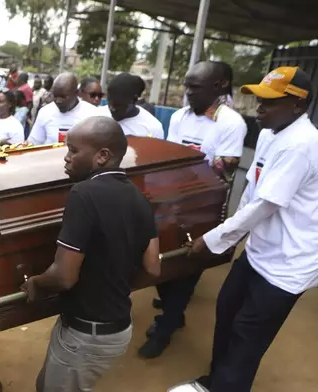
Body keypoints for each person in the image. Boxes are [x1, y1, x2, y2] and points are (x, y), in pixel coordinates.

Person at [183, 66, 318, 392]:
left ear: (298, 106)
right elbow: (251, 193)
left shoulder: (300, 144)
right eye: (259, 100)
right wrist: (232, 236)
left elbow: (264, 206)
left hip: (287, 265)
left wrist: (215, 238)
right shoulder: (272, 134)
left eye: (269, 102)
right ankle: (217, 381)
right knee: (227, 313)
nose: (259, 108)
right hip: (259, 252)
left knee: (247, 339)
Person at [22, 116, 160, 392]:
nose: (66, 158)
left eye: (73, 150)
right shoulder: (138, 197)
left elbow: (64, 277)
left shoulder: (83, 194)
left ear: (102, 156)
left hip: (86, 334)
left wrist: (36, 282)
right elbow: (153, 268)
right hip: (118, 327)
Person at [140, 61, 247, 359]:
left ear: (220, 86)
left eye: (194, 87)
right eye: (186, 85)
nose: (187, 92)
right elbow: (168, 159)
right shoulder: (178, 118)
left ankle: (165, 329)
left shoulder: (231, 123)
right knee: (161, 261)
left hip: (204, 207)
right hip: (170, 202)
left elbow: (223, 171)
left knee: (189, 265)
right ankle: (174, 312)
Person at [27, 73, 97, 145]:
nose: (58, 101)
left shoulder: (92, 114)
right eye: (55, 96)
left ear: (76, 93)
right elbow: (33, 144)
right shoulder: (45, 112)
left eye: (63, 97)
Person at [98, 73, 164, 139]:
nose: (112, 108)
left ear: (134, 100)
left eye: (118, 105)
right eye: (109, 103)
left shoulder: (153, 128)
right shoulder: (96, 116)